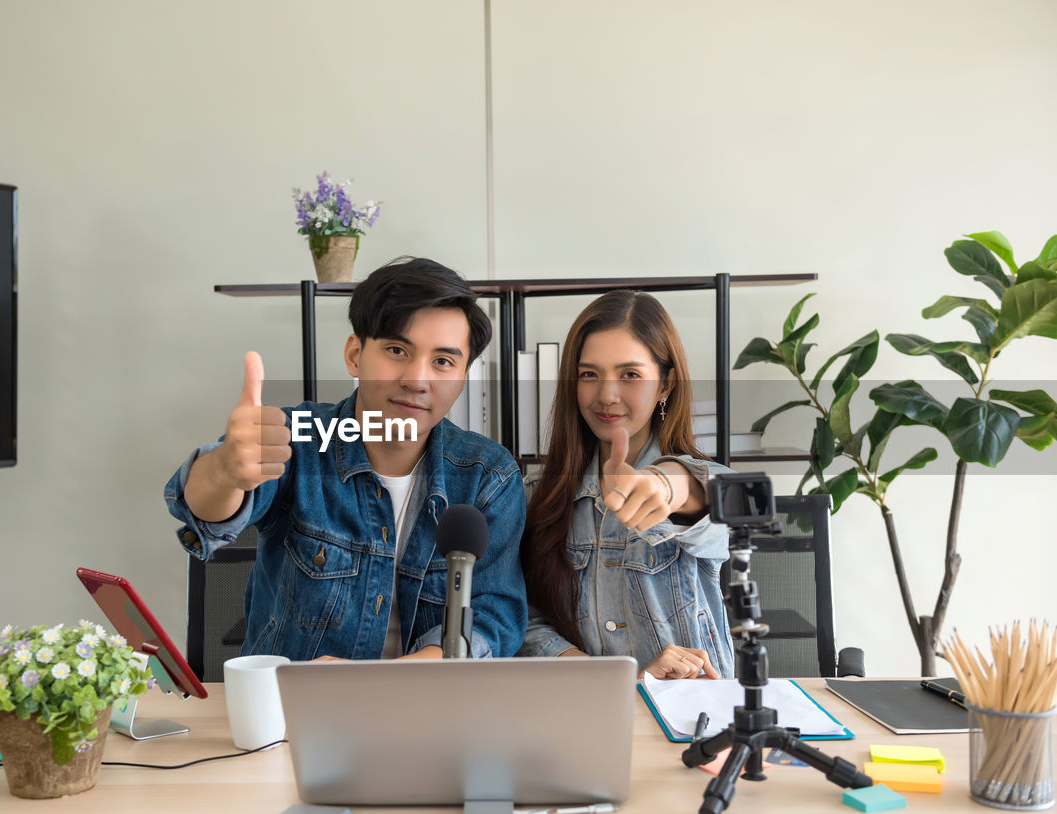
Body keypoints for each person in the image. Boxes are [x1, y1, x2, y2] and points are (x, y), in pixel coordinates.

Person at [164, 257, 528, 661]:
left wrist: (400, 681)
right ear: (355, 355)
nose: (417, 379)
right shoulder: (297, 438)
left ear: (463, 376)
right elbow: (202, 510)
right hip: (294, 712)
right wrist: (225, 472)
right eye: (396, 350)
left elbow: (495, 614)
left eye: (443, 362)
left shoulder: (488, 476)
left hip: (429, 710)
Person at [518, 290, 735, 678]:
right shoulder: (536, 496)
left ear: (665, 385)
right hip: (583, 710)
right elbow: (524, 623)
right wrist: (618, 680)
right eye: (589, 374)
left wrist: (666, 486)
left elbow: (720, 497)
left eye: (630, 375)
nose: (606, 395)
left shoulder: (689, 483)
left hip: (690, 715)